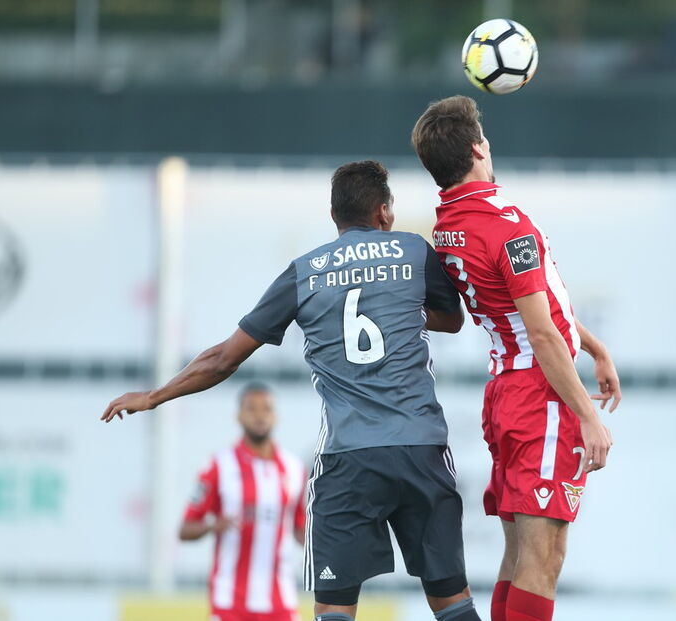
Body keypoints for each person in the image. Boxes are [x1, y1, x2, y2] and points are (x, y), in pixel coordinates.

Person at [101, 160, 483, 621]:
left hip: (349, 457)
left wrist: (155, 395)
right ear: (384, 212)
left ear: (334, 218)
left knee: (334, 610)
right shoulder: (415, 252)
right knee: (451, 599)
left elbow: (224, 358)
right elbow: (455, 318)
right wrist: (401, 313)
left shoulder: (306, 272)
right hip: (421, 447)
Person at [411, 96, 622, 621]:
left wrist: (592, 345)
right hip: (540, 396)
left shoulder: (450, 225)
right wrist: (587, 415)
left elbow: (527, 309)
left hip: (506, 389)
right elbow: (543, 335)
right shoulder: (507, 225)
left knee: (520, 552)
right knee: (544, 557)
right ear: (479, 147)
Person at [180, 382, 308, 621]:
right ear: (238, 416)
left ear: (276, 416)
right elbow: (185, 529)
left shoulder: (294, 469)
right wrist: (212, 525)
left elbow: (301, 529)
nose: (260, 416)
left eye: (266, 409)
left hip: (280, 601)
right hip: (230, 601)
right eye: (252, 409)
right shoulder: (218, 466)